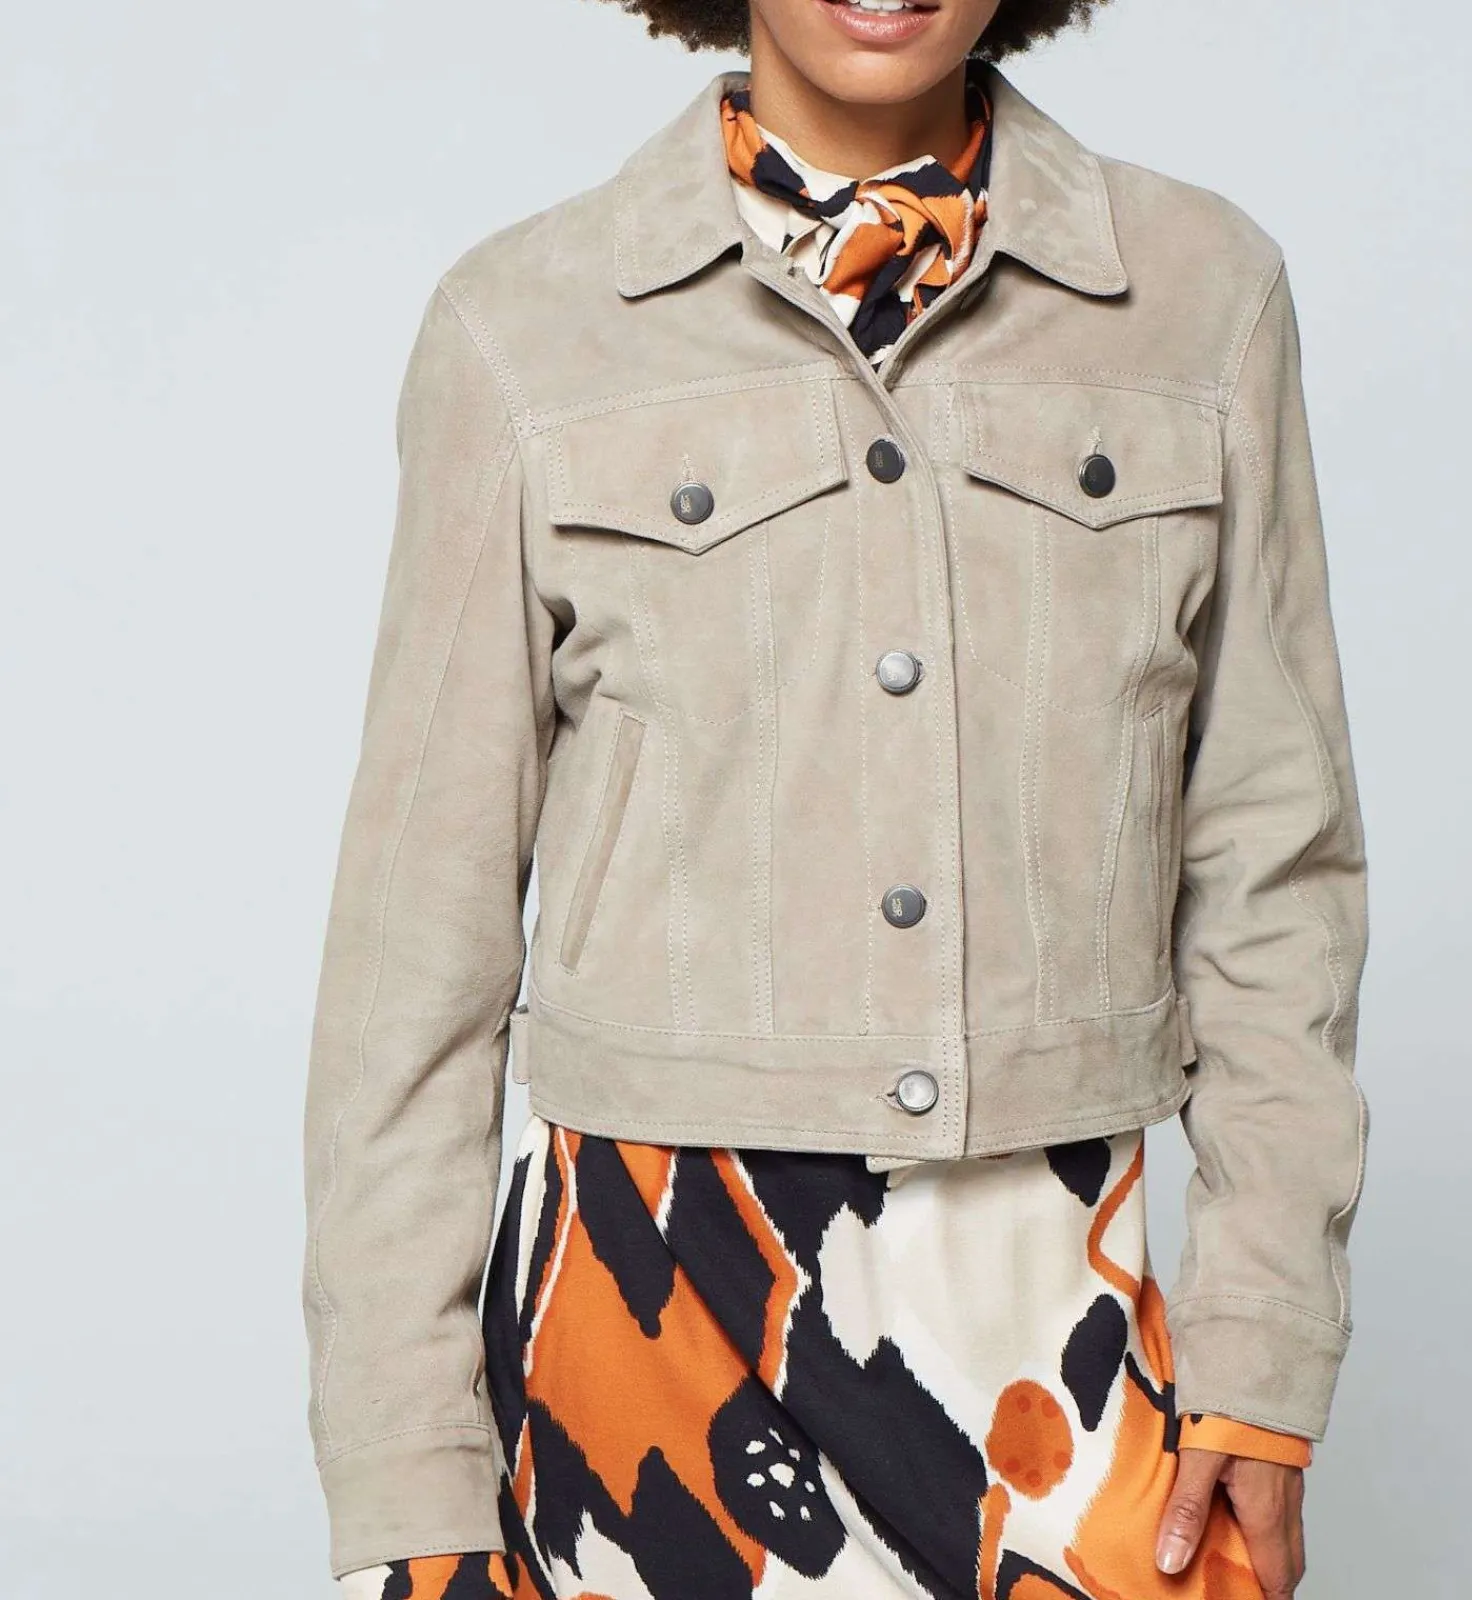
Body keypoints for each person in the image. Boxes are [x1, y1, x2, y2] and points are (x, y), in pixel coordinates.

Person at [301, 2, 1370, 1596]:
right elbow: (416, 955)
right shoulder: (524, 326)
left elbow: (1277, 874)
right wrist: (407, 1480)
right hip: (649, 1318)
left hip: (1062, 1303)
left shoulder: (1203, 298)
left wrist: (1267, 1352)